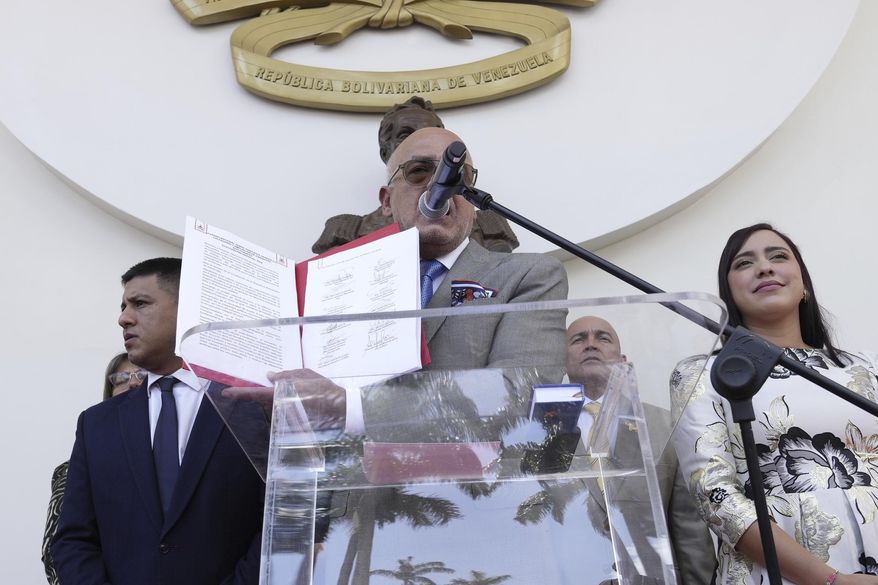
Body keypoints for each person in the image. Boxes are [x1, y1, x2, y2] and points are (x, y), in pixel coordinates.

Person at [671, 223, 878, 585]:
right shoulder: (703, 374)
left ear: (805, 286)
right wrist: (831, 581)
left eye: (778, 256)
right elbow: (715, 496)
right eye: (744, 263)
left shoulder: (867, 367)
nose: (764, 268)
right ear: (729, 294)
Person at [52, 258, 264, 585]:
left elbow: (278, 525)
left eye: (140, 303)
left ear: (189, 310)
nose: (123, 318)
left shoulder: (253, 407)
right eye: (123, 306)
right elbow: (73, 538)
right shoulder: (96, 424)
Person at [565, 316, 716, 585]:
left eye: (602, 338)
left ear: (623, 361)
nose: (591, 345)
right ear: (562, 363)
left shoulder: (663, 425)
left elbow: (690, 530)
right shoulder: (540, 431)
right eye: (579, 339)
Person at [41, 352, 144, 585]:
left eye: (143, 375)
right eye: (122, 378)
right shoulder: (70, 471)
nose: (134, 382)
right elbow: (57, 551)